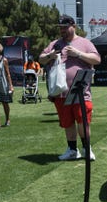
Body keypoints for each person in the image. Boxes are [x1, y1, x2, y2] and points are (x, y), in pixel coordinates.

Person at [39, 14, 101, 161]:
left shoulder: (85, 43)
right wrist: (51, 56)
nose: (62, 31)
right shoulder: (55, 44)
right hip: (61, 93)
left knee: (82, 120)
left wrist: (78, 54)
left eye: (65, 28)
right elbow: (41, 59)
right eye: (60, 28)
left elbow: (97, 59)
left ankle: (87, 149)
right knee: (67, 122)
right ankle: (72, 150)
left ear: (73, 26)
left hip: (80, 91)